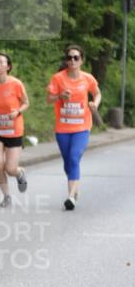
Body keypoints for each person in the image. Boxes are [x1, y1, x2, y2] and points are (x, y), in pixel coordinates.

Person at [46, 45, 101, 210]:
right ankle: (74, 189)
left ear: (81, 60)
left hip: (82, 127)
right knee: (68, 162)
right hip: (63, 128)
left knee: (74, 157)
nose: (72, 60)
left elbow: (97, 93)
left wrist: (94, 104)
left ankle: (70, 197)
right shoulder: (58, 78)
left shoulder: (88, 78)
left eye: (76, 57)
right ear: (66, 60)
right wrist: (59, 96)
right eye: (69, 57)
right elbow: (49, 99)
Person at [0, 53, 30, 207]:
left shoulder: (16, 84)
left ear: (8, 67)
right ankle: (6, 196)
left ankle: (19, 172)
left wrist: (18, 112)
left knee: (10, 168)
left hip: (14, 129)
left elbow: (26, 103)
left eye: (1, 62)